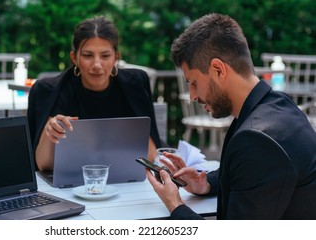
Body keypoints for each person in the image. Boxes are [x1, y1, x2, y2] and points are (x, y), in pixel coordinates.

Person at [146, 13, 316, 219]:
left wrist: (175, 205)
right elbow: (255, 176)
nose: (192, 96)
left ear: (218, 70)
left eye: (194, 83)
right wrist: (206, 183)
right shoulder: (279, 104)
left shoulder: (257, 139)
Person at [27, 16, 162, 171]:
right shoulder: (50, 90)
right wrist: (48, 132)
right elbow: (43, 164)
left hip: (125, 180)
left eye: (105, 56)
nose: (97, 65)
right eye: (87, 55)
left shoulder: (135, 84)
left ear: (116, 58)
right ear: (74, 58)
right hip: (67, 185)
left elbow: (150, 156)